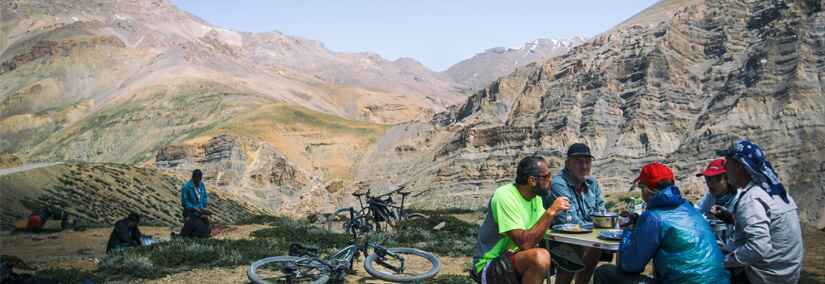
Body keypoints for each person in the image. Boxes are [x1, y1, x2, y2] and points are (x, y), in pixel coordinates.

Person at [593, 162, 730, 284]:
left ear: (647, 189)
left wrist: (628, 229)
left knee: (604, 272)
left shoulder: (654, 217)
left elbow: (630, 265)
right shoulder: (689, 208)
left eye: (641, 189)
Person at [715, 139, 803, 284]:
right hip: (788, 273)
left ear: (739, 166)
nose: (725, 167)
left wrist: (724, 261)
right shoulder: (776, 192)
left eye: (727, 162)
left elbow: (759, 248)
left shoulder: (752, 199)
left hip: (767, 277)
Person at [472, 156, 571, 284]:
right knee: (539, 257)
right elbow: (526, 243)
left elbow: (539, 230)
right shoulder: (505, 196)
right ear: (532, 180)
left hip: (515, 257)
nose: (550, 180)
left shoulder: (536, 197)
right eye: (546, 176)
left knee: (571, 252)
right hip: (490, 264)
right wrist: (551, 211)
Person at [542, 143, 606, 284]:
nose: (584, 166)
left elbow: (602, 212)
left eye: (587, 162)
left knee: (596, 246)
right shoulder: (559, 183)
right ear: (567, 164)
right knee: (584, 248)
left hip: (587, 237)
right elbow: (569, 221)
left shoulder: (592, 183)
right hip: (558, 239)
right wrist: (596, 225)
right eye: (578, 161)